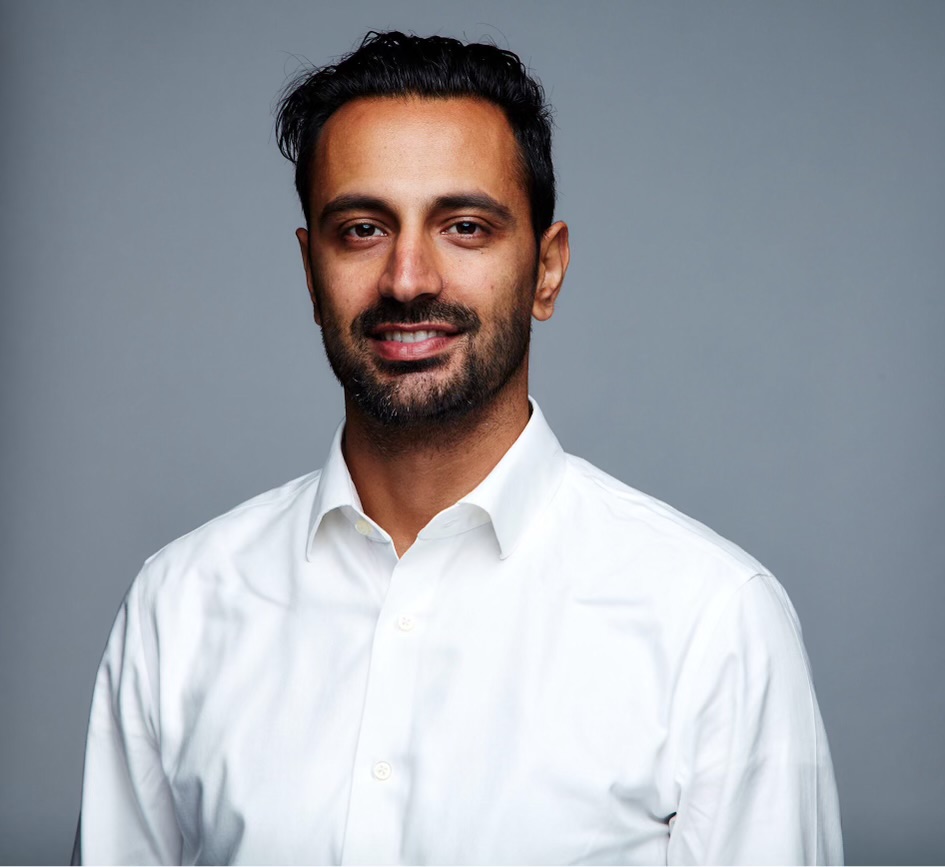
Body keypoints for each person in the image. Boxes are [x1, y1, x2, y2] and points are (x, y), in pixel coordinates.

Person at [76, 31, 843, 865]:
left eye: (466, 226)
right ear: (310, 272)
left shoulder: (712, 622)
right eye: (363, 228)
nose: (408, 278)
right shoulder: (179, 608)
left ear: (546, 271)